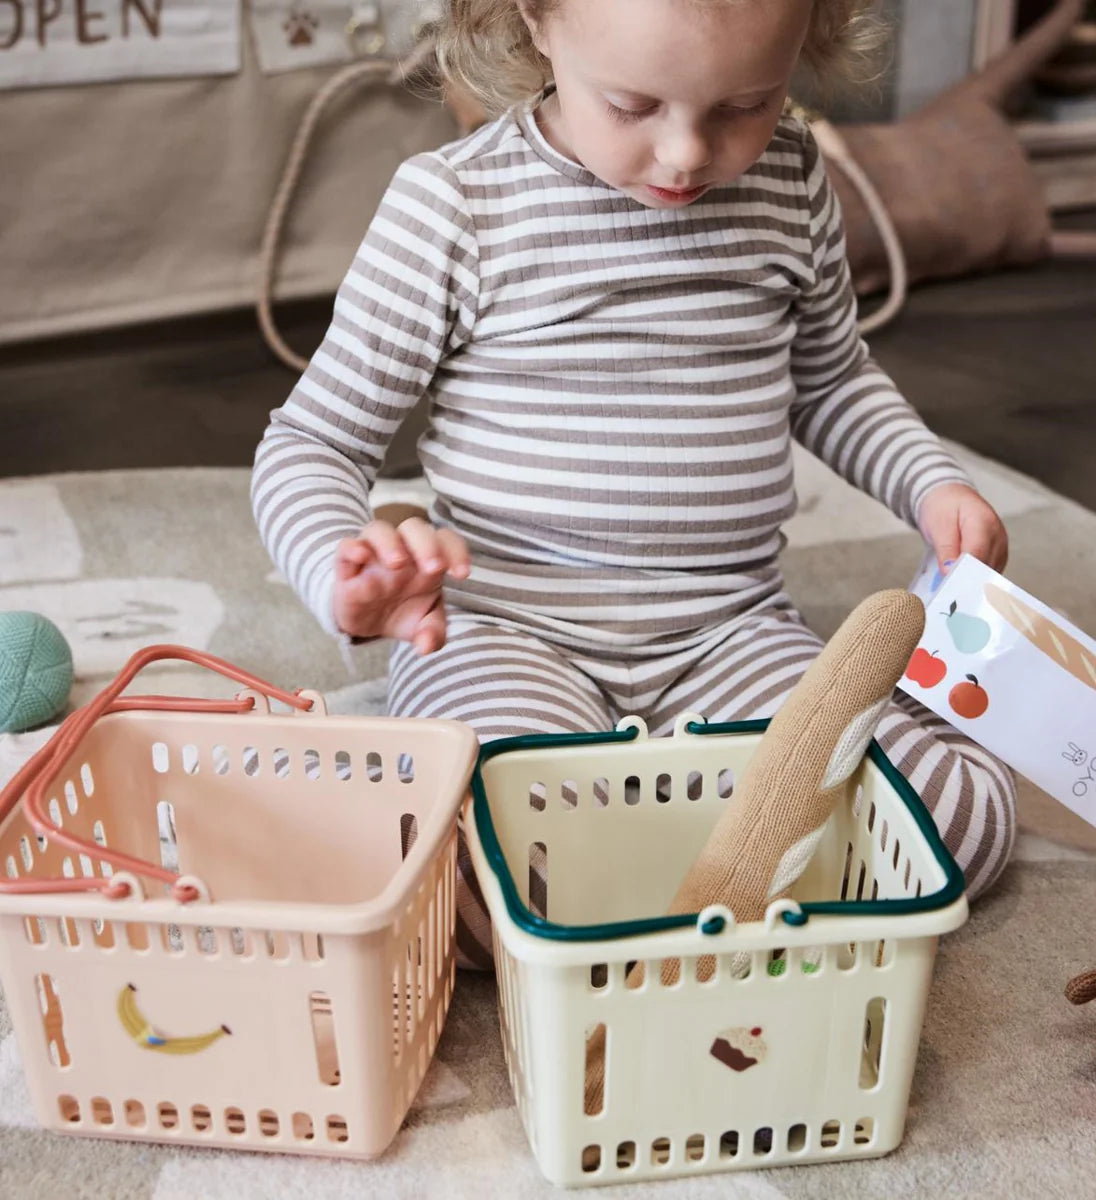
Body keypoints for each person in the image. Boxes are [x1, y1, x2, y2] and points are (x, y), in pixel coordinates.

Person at [252, 0, 1016, 968]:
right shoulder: (455, 205)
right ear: (535, 21)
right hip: (510, 631)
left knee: (956, 831)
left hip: (729, 632)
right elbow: (312, 442)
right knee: (470, 871)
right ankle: (670, 881)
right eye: (633, 104)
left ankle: (657, 876)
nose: (687, 155)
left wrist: (928, 484)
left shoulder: (787, 177)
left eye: (747, 101)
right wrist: (340, 574)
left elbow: (831, 379)